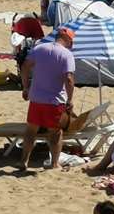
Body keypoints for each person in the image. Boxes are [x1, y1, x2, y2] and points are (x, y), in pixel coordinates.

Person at [17, 27, 76, 170]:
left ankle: (24, 161)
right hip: (54, 100)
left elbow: (24, 67)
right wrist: (70, 99)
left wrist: (25, 87)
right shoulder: (66, 54)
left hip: (36, 97)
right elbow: (68, 79)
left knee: (31, 131)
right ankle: (54, 164)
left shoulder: (39, 48)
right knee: (55, 132)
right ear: (67, 40)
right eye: (71, 41)